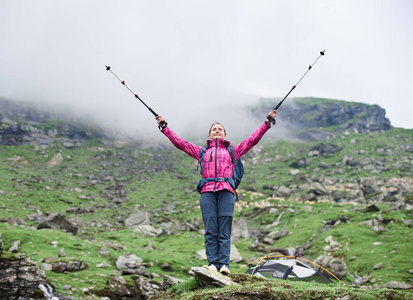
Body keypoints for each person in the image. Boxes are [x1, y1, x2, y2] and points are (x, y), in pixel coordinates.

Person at [156, 109, 276, 275]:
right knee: (211, 228)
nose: (217, 130)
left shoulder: (233, 151)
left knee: (224, 229)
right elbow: (181, 143)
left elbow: (252, 140)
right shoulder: (202, 151)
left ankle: (224, 265)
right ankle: (213, 263)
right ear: (210, 135)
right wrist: (164, 127)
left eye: (220, 129)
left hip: (226, 190)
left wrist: (267, 123)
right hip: (207, 191)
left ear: (225, 135)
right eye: (214, 129)